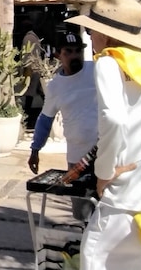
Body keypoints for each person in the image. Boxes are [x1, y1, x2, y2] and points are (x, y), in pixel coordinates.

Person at [66, 0, 141, 270]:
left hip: (128, 202)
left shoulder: (110, 62)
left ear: (105, 35)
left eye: (92, 31)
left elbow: (114, 119)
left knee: (97, 261)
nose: (90, 37)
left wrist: (104, 172)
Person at [27, 31, 97, 174]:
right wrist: (35, 150)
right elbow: (45, 120)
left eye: (78, 51)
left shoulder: (97, 70)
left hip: (105, 154)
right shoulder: (55, 86)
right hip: (76, 158)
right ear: (58, 55)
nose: (74, 56)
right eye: (68, 52)